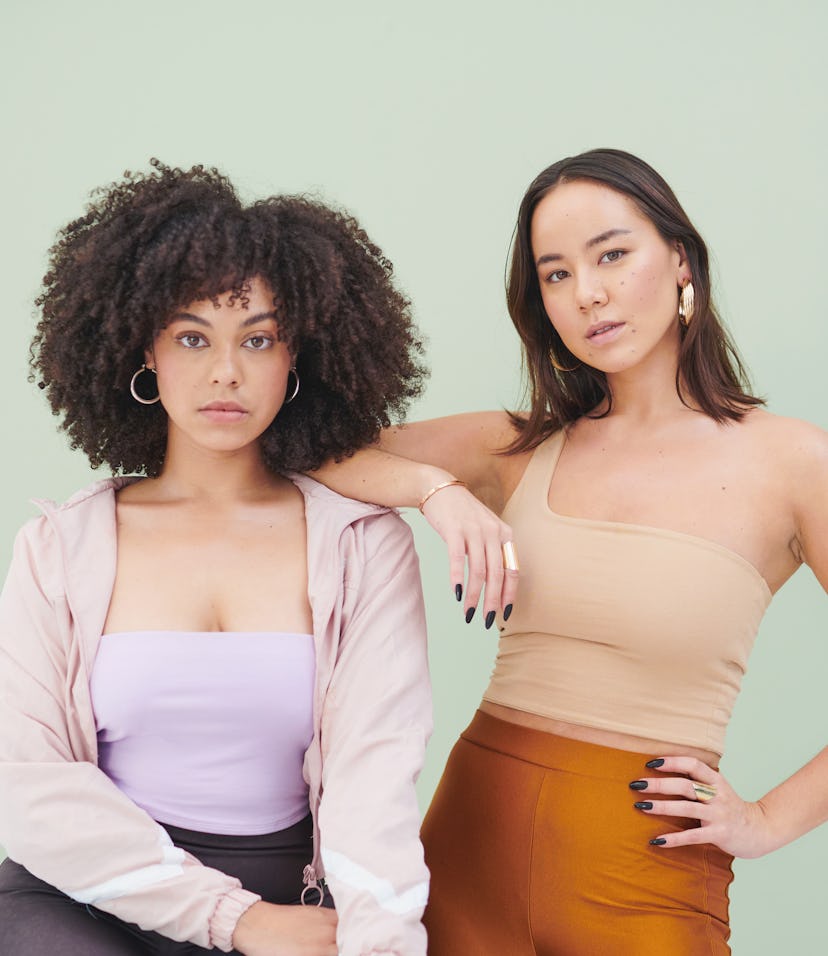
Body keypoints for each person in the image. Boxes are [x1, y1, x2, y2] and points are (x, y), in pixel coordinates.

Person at [312, 148, 828, 954]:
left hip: (646, 878)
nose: (588, 293)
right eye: (555, 274)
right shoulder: (517, 447)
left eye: (612, 255)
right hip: (467, 854)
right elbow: (314, 456)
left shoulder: (795, 463)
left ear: (681, 260)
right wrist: (435, 492)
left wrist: (763, 822)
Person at [0, 160, 432, 956]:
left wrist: (382, 944)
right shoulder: (58, 549)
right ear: (144, 352)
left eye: (258, 338)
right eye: (192, 337)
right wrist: (238, 921)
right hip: (79, 900)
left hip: (293, 900)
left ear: (297, 357)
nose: (225, 372)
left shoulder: (362, 547)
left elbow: (376, 779)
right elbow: (30, 788)